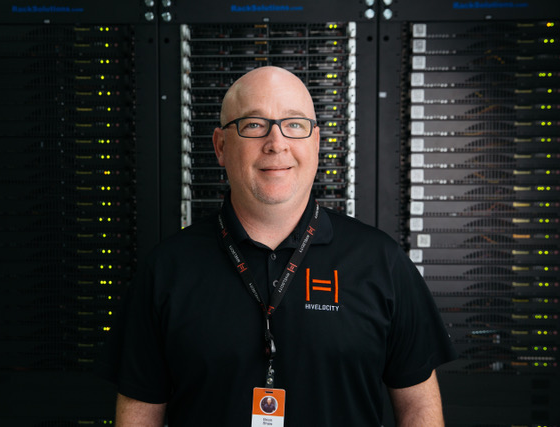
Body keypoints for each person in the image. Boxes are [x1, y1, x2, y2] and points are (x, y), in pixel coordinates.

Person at [100, 66, 457, 426]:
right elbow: (139, 411)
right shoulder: (166, 270)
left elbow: (417, 407)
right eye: (254, 124)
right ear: (221, 146)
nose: (276, 142)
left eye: (295, 124)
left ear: (316, 142)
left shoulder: (382, 262)